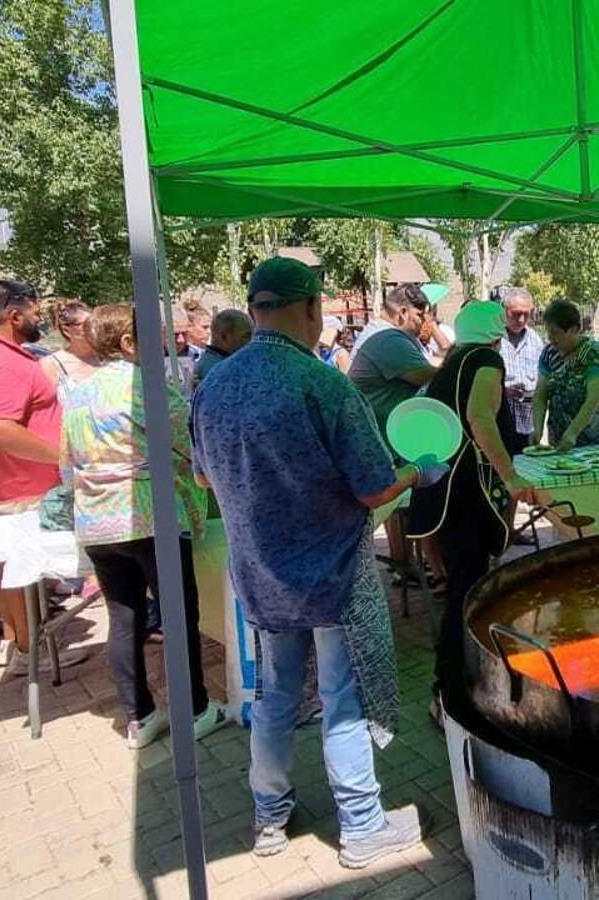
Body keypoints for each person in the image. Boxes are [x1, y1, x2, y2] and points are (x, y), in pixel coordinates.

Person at [191, 257, 431, 864]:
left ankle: (269, 817)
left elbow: (203, 477)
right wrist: (417, 471)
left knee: (274, 696)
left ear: (254, 309)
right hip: (333, 576)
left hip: (261, 573)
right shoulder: (323, 384)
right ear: (311, 308)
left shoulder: (212, 383)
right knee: (341, 698)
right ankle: (362, 825)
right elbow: (375, 489)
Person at [60, 304, 228, 748]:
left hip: (97, 522)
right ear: (128, 342)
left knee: (123, 618)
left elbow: (66, 461)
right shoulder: (147, 385)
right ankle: (195, 710)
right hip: (149, 516)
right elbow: (190, 442)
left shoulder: (77, 392)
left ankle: (139, 717)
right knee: (178, 617)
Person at [0, 280, 86, 674]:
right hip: (15, 488)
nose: (38, 320)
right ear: (14, 315)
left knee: (13, 570)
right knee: (17, 571)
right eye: (34, 313)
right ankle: (28, 651)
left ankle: (24, 646)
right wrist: (64, 455)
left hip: (18, 484)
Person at [407, 301, 539, 689]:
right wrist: (510, 477)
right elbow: (479, 416)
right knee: (467, 587)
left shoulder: (453, 362)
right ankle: (451, 682)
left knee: (461, 583)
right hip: (464, 491)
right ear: (496, 334)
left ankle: (457, 673)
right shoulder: (485, 360)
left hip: (441, 484)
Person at [348, 284, 437, 575]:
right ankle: (407, 565)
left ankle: (406, 564)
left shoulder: (383, 335)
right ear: (402, 312)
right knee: (401, 496)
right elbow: (426, 375)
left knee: (398, 500)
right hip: (381, 435)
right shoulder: (388, 339)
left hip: (381, 432)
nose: (424, 322)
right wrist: (459, 359)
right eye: (420, 315)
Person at [532, 299, 599, 450]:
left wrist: (573, 432)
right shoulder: (549, 354)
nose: (551, 339)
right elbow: (540, 396)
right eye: (548, 333)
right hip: (559, 440)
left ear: (574, 329)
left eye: (556, 333)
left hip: (595, 442)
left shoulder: (593, 353)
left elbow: (594, 399)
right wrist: (537, 430)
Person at [497, 286, 544, 456]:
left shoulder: (535, 341)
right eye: (516, 314)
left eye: (527, 314)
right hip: (499, 423)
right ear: (504, 310)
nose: (521, 319)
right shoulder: (493, 338)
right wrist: (503, 391)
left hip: (527, 425)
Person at [42, 300, 99, 390]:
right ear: (66, 330)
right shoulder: (51, 364)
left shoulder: (106, 357)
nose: (93, 328)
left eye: (95, 322)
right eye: (86, 324)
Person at [195, 308, 253, 386]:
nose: (251, 341)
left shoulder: (213, 362)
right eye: (246, 336)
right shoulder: (216, 369)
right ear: (224, 337)